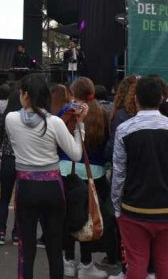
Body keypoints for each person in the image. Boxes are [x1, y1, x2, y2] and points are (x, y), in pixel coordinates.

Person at [5, 74, 87, 279]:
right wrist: (80, 126)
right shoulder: (55, 123)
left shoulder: (11, 119)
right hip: (52, 187)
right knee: (54, 246)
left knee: (27, 248)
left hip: (25, 186)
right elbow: (76, 154)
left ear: (24, 95)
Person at [111, 76, 168, 279]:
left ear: (136, 99)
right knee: (166, 265)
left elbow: (119, 173)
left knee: (136, 263)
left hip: (134, 207)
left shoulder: (124, 130)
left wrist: (117, 207)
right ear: (161, 99)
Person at [59, 77, 111, 279]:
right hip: (94, 173)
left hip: (66, 170)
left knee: (68, 217)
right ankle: (87, 263)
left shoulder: (66, 112)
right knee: (88, 217)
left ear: (73, 91)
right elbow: (106, 146)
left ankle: (68, 260)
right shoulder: (102, 114)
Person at [0, 85, 23, 245]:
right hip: (23, 160)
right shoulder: (26, 120)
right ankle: (17, 233)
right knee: (20, 198)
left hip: (8, 160)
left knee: (4, 197)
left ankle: (1, 231)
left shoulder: (4, 118)